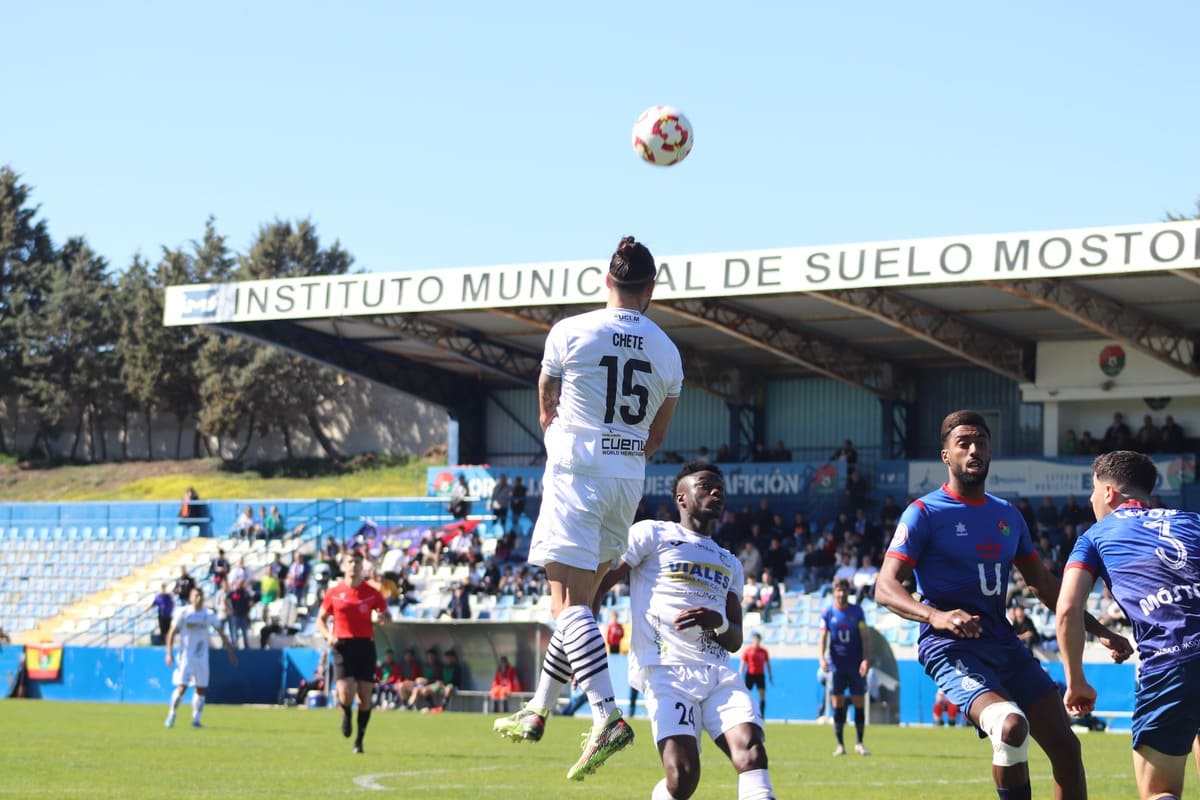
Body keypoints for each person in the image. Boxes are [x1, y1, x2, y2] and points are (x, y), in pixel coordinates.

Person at [493, 235, 683, 782]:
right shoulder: (669, 352)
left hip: (578, 470)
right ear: (650, 288)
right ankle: (538, 708)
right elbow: (655, 436)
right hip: (627, 478)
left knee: (564, 604)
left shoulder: (570, 331)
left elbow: (546, 398)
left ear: (607, 281)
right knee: (584, 604)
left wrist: (560, 437)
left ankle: (606, 716)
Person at [874, 409, 1132, 800]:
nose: (974, 449)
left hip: (1005, 644)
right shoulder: (923, 513)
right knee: (1010, 726)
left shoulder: (1007, 515)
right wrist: (937, 616)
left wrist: (1102, 632)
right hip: (951, 649)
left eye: (981, 442)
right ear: (946, 455)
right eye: (963, 443)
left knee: (1066, 746)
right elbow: (885, 587)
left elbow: (1045, 586)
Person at [591, 462, 775, 800]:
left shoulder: (730, 562)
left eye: (720, 488)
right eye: (705, 486)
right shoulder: (653, 534)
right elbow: (602, 584)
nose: (716, 492)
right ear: (682, 497)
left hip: (718, 673)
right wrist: (582, 641)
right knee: (683, 777)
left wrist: (715, 622)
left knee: (751, 753)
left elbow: (734, 639)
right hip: (666, 671)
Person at [1056, 450, 1200, 800]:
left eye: (1092, 491)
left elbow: (1067, 610)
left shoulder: (1094, 537)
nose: (1090, 500)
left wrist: (1075, 682)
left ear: (1108, 493)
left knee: (1159, 793)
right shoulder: (1192, 521)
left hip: (1170, 663)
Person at [316, 549, 390, 754]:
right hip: (342, 645)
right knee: (346, 692)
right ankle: (347, 713)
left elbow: (385, 613)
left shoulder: (371, 592)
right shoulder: (334, 592)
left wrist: (384, 618)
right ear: (343, 565)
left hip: (365, 645)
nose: (354, 566)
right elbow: (320, 619)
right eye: (350, 562)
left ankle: (359, 741)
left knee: (365, 697)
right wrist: (328, 636)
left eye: (357, 562)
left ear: (362, 566)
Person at [164, 586, 237, 729]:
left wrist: (230, 651)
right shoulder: (184, 613)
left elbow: (221, 632)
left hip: (203, 658)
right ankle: (171, 714)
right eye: (196, 595)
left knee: (201, 689)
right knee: (182, 688)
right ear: (190, 597)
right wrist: (169, 653)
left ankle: (196, 721)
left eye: (201, 595)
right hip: (186, 657)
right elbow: (171, 632)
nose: (198, 598)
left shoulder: (208, 614)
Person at [819, 578, 871, 756]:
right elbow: (823, 637)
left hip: (855, 664)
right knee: (837, 702)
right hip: (836, 665)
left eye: (844, 590)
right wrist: (821, 658)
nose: (841, 594)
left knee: (858, 701)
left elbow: (864, 636)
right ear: (834, 592)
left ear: (848, 592)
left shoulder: (857, 612)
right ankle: (840, 744)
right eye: (838, 590)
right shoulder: (828, 612)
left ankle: (859, 742)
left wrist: (865, 659)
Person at [739, 631, 773, 718]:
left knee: (762, 695)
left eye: (758, 640)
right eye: (755, 639)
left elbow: (768, 664)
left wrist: (770, 676)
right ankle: (744, 712)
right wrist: (740, 675)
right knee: (746, 695)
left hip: (760, 675)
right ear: (753, 640)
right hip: (750, 675)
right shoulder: (748, 651)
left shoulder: (764, 651)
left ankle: (762, 715)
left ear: (760, 640)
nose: (756, 641)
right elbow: (743, 664)